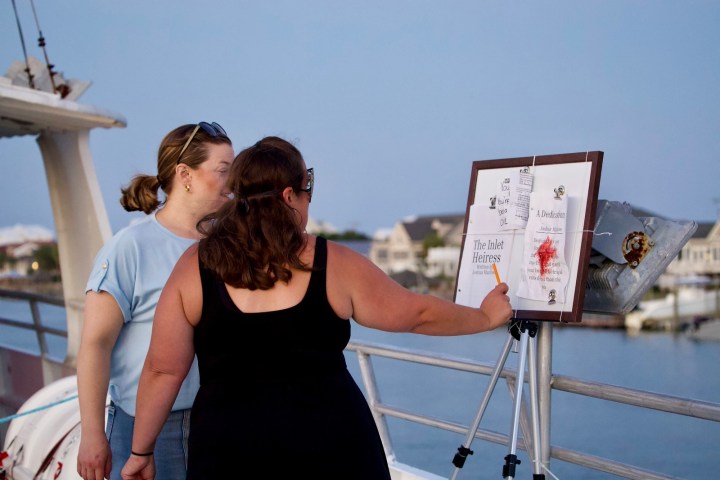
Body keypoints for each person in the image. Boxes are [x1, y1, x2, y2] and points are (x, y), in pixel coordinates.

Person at [121, 136, 513, 480]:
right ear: (290, 196)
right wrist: (484, 317)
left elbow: (162, 369)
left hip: (229, 451)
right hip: (331, 447)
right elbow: (415, 313)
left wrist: (140, 452)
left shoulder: (195, 266)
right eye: (308, 192)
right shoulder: (333, 263)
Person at [76, 122, 234, 480]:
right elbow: (95, 345)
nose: (233, 182)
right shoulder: (131, 246)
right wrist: (91, 435)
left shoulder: (227, 246)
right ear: (185, 175)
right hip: (146, 430)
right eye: (224, 171)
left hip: (217, 420)